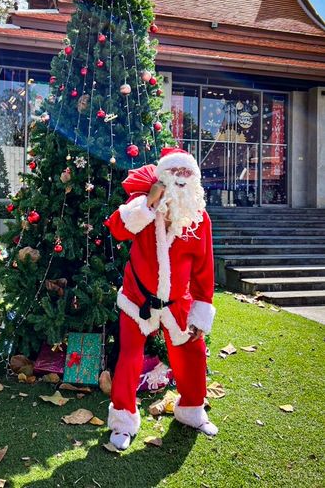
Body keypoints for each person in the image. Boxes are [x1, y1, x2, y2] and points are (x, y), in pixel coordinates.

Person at [105, 147, 218, 450]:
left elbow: (204, 268)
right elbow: (117, 229)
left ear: (194, 179)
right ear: (162, 177)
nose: (181, 179)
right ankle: (123, 420)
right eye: (175, 173)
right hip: (136, 298)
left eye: (187, 173)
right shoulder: (143, 207)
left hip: (178, 302)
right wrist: (148, 203)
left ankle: (192, 411)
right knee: (129, 357)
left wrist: (201, 309)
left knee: (192, 353)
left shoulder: (199, 218)